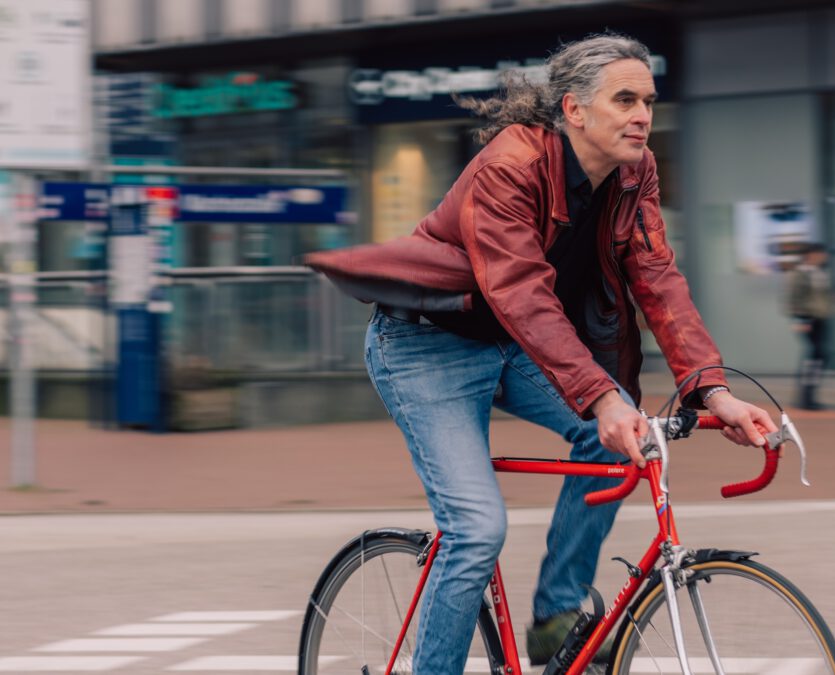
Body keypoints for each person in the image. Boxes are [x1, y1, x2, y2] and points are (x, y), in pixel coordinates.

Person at [305, 33, 778, 675]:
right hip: (423, 346)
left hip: (511, 341)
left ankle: (556, 620)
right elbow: (522, 293)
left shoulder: (635, 171)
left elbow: (659, 280)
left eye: (648, 100)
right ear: (574, 109)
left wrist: (713, 392)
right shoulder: (510, 165)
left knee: (614, 443)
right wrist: (604, 395)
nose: (643, 114)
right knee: (475, 530)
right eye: (625, 99)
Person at [786, 242, 835, 410]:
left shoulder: (820, 273)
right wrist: (801, 319)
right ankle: (806, 396)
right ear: (810, 254)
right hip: (808, 320)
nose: (823, 257)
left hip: (821, 319)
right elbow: (794, 298)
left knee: (819, 356)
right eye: (820, 253)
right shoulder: (799, 274)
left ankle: (809, 394)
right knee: (815, 356)